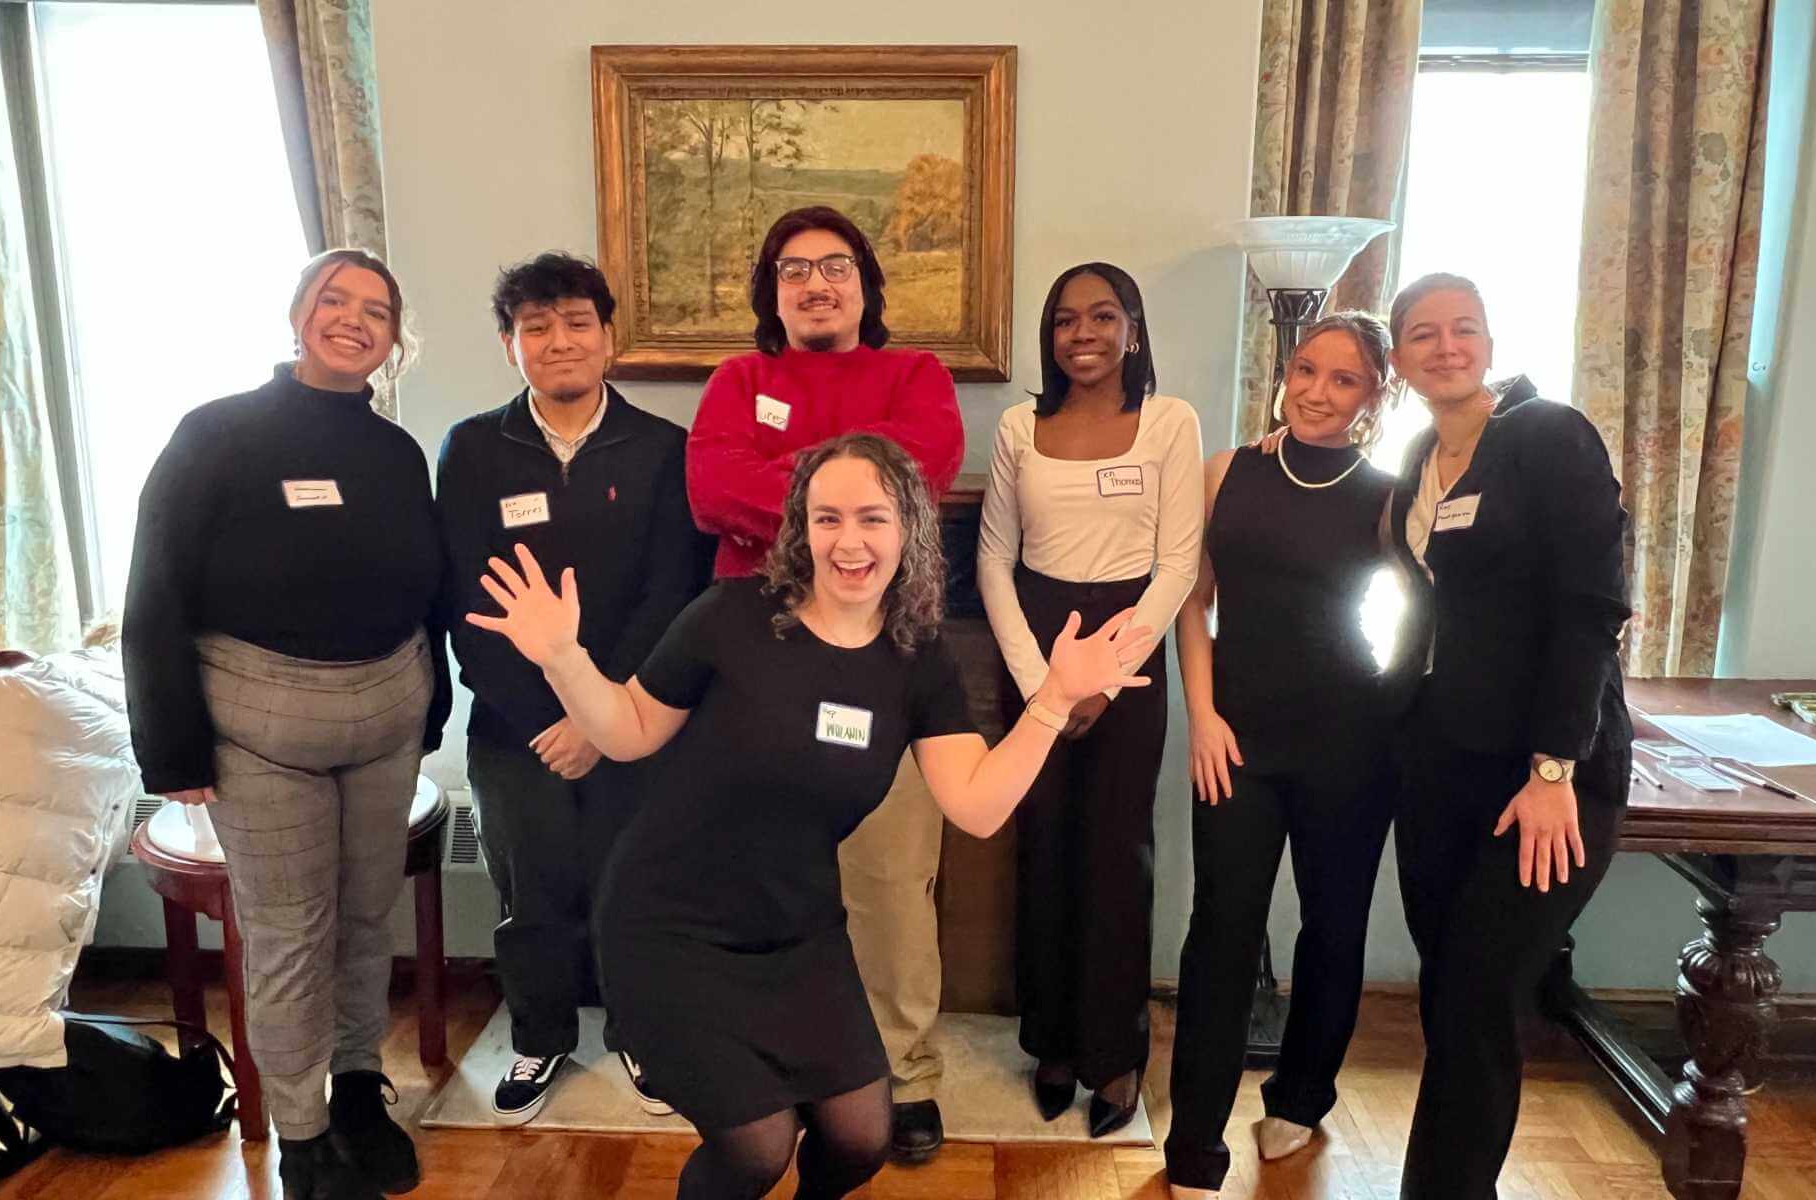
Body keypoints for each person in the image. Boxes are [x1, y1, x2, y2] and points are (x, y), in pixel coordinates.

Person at [464, 433, 1153, 1200]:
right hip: (669, 927)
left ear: (909, 531)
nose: (849, 541)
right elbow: (626, 733)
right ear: (800, 529)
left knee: (862, 1135)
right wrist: (563, 657)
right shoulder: (731, 616)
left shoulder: (915, 657)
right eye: (827, 519)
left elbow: (978, 806)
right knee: (756, 1150)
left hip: (798, 930)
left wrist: (1053, 700)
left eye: (872, 518)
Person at [123, 249, 448, 1200]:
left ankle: (355, 1089)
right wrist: (171, 747)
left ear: (394, 338)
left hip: (387, 714)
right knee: (287, 932)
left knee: (362, 918)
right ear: (297, 313)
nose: (353, 320)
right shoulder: (215, 435)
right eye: (333, 300)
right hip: (259, 728)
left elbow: (427, 585)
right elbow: (154, 596)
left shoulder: (396, 452)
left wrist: (437, 705)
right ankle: (302, 1135)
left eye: (375, 310)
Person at [685, 205, 966, 1161]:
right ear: (772, 291)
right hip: (754, 662)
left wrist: (787, 497)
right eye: (794, 269)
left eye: (834, 266)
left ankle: (907, 1073)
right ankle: (774, 1067)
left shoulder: (915, 376)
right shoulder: (739, 380)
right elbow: (710, 487)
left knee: (888, 874)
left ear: (864, 285)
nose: (815, 283)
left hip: (879, 659)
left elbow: (920, 478)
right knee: (759, 876)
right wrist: (853, 500)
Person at [436, 252, 708, 1125]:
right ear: (510, 344)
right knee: (531, 891)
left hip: (634, 716)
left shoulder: (663, 448)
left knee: (636, 884)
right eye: (537, 326)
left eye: (577, 323)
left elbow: (674, 594)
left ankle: (641, 1033)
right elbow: (468, 600)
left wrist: (603, 713)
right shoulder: (476, 449)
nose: (560, 341)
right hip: (518, 726)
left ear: (609, 336)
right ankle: (540, 1036)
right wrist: (555, 714)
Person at [1383, 273, 1632, 1198]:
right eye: (1422, 334)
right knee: (1449, 992)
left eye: (1464, 329)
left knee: (1483, 990)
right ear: (1399, 359)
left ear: (1488, 341)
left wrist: (1556, 765)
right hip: (1441, 765)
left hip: (1549, 777)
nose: (1446, 346)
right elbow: (1426, 612)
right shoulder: (1418, 460)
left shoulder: (1548, 436)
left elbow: (1591, 608)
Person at [1162, 313, 1403, 1197]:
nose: (1317, 392)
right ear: (1285, 371)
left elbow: (1425, 609)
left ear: (1375, 396)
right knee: (1221, 930)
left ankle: (1299, 1100)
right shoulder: (1227, 472)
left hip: (1352, 736)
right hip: (1238, 740)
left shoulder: (1389, 492)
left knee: (1333, 927)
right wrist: (1204, 715)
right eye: (1307, 370)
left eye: (1344, 381)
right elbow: (1192, 604)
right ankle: (1193, 1140)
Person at [976, 263, 1203, 1137]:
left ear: (1133, 329)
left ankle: (1116, 1054)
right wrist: (1042, 686)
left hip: (1129, 651)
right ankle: (1053, 1044)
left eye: (1103, 317)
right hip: (1034, 642)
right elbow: (994, 559)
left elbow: (1178, 565)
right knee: (1044, 850)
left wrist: (1104, 678)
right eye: (1066, 320)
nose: (1084, 334)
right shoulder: (1018, 427)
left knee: (1117, 855)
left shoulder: (1168, 422)